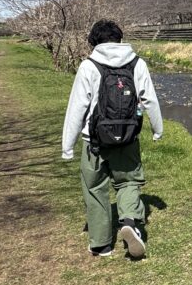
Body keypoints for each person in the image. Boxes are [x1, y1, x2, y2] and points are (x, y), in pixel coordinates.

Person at [61, 19, 163, 258]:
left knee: (95, 188)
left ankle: (101, 244)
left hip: (93, 141)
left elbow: (77, 108)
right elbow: (151, 100)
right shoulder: (137, 64)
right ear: (120, 39)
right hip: (128, 138)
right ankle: (129, 221)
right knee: (128, 182)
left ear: (93, 41)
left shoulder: (89, 66)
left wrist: (67, 146)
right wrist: (158, 130)